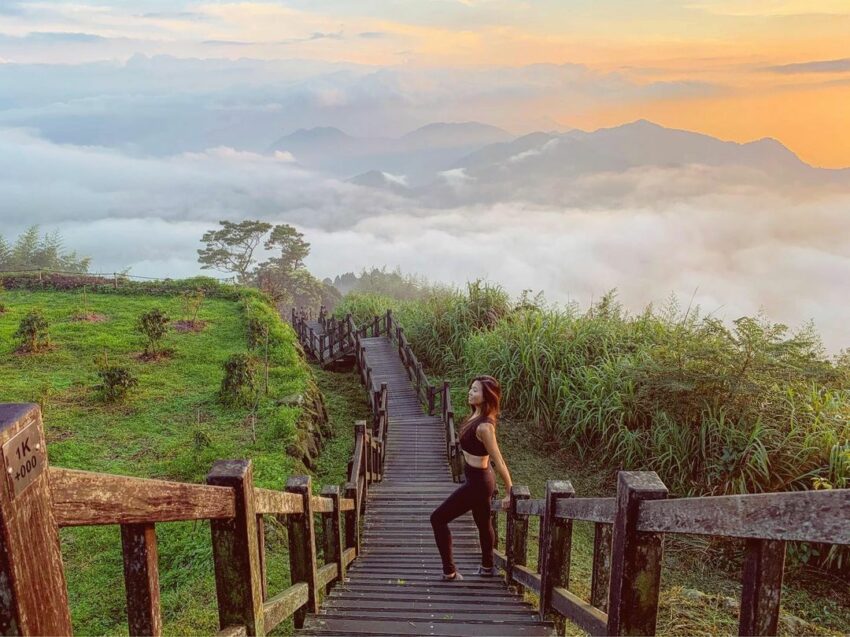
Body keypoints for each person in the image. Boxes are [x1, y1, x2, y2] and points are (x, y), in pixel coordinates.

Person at [429, 375, 513, 581]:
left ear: (486, 396)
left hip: (479, 483)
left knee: (438, 518)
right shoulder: (473, 416)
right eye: (471, 388)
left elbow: (499, 460)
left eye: (475, 390)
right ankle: (487, 567)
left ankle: (449, 572)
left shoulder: (485, 426)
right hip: (476, 478)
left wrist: (511, 490)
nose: (470, 392)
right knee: (483, 524)